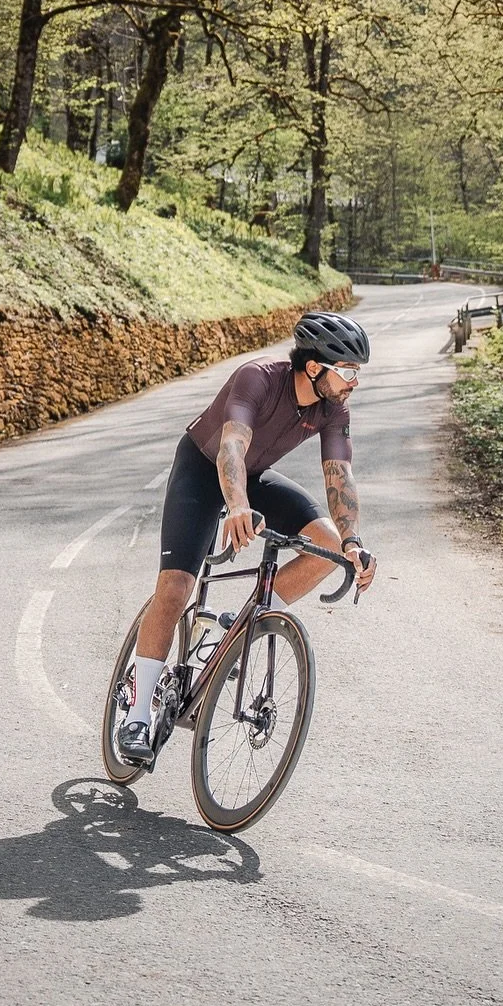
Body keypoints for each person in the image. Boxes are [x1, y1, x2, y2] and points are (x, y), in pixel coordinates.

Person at [116, 310, 377, 767]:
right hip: (202, 467)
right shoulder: (257, 378)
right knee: (176, 588)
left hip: (253, 475)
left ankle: (238, 629)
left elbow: (340, 475)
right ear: (314, 368)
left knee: (330, 544)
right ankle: (136, 715)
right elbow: (231, 446)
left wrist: (353, 541)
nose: (354, 382)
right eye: (348, 371)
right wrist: (236, 506)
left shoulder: (333, 406)